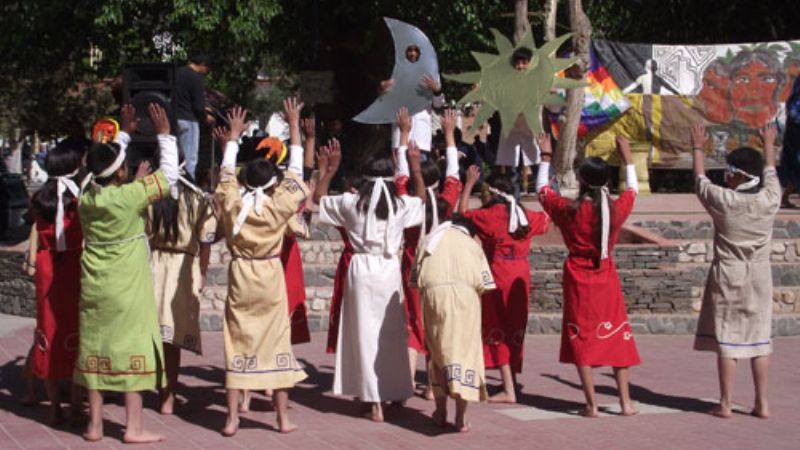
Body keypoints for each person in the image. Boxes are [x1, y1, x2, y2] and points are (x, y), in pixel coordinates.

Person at [74, 103, 179, 443]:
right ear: (121, 173)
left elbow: (95, 167)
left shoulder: (86, 197)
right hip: (127, 287)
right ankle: (133, 428)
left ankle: (95, 426)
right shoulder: (131, 196)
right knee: (132, 348)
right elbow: (170, 177)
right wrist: (164, 136)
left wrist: (123, 133)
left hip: (95, 285)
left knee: (96, 347)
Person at [314, 134, 426, 422]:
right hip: (388, 271)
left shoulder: (352, 203)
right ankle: (389, 391)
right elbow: (422, 201)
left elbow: (319, 199)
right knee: (389, 334)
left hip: (361, 270)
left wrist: (330, 170)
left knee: (364, 334)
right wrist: (415, 169)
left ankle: (373, 400)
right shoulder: (400, 205)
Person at [213, 101, 308, 436]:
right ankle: (281, 419)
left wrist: (233, 139)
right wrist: (294, 127)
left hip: (241, 275)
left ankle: (232, 417)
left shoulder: (232, 199)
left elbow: (225, 174)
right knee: (277, 344)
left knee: (236, 342)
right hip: (269, 275)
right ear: (271, 183)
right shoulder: (279, 205)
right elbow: (296, 172)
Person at [535, 133, 641, 418]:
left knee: (582, 335)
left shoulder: (569, 210)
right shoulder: (614, 209)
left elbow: (542, 191)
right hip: (605, 274)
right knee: (616, 334)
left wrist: (546, 157)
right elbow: (633, 190)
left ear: (581, 181)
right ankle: (626, 403)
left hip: (578, 276)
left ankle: (591, 405)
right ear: (606, 181)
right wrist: (628, 157)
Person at [690, 123, 780, 419]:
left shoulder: (725, 201)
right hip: (760, 275)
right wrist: (768, 144)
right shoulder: (769, 199)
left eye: (731, 171)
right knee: (759, 341)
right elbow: (770, 173)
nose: (726, 176)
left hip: (729, 274)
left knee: (728, 340)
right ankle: (763, 403)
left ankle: (726, 403)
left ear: (739, 176)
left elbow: (700, 182)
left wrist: (697, 148)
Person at [395, 107, 463, 396]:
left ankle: (409, 381)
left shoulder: (408, 202)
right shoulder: (447, 199)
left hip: (413, 264)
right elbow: (454, 174)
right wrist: (449, 135)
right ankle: (434, 386)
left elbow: (400, 174)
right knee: (437, 320)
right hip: (442, 266)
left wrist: (404, 135)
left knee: (413, 320)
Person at [147, 156, 218, 415]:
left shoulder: (150, 193)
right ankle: (168, 397)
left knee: (153, 335)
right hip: (182, 267)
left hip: (153, 264)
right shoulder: (196, 197)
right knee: (173, 339)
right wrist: (202, 270)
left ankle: (155, 388)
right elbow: (207, 236)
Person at [413, 215, 496, 432]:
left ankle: (440, 412)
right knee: (466, 355)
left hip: (434, 298)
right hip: (465, 299)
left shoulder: (429, 240)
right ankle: (460, 418)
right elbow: (486, 283)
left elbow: (415, 280)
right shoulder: (472, 245)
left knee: (437, 353)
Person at [29, 144, 84, 425]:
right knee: (75, 329)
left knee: (48, 330)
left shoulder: (38, 199)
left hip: (47, 266)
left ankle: (53, 407)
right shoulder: (78, 200)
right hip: (72, 266)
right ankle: (75, 403)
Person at [383, 44, 444, 159]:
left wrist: (437, 91)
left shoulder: (430, 74)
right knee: (401, 174)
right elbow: (385, 103)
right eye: (409, 50)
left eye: (416, 50)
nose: (413, 54)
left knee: (419, 174)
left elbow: (438, 105)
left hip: (420, 138)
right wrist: (382, 90)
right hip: (399, 136)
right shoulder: (396, 73)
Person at [496, 47, 540, 198]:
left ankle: (552, 205)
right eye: (518, 63)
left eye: (524, 62)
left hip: (532, 131)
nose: (520, 66)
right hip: (511, 132)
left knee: (541, 168)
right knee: (511, 173)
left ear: (530, 63)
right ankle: (513, 207)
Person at [176, 52, 214, 180]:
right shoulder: (196, 77)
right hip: (189, 120)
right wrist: (206, 117)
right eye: (207, 69)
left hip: (175, 119)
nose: (206, 73)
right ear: (203, 65)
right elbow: (198, 107)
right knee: (189, 159)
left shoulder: (178, 72)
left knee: (177, 159)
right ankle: (189, 190)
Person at [779, 76, 800, 208]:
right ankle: (784, 197)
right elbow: (793, 106)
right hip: (796, 126)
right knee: (795, 162)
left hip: (795, 123)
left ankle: (784, 197)